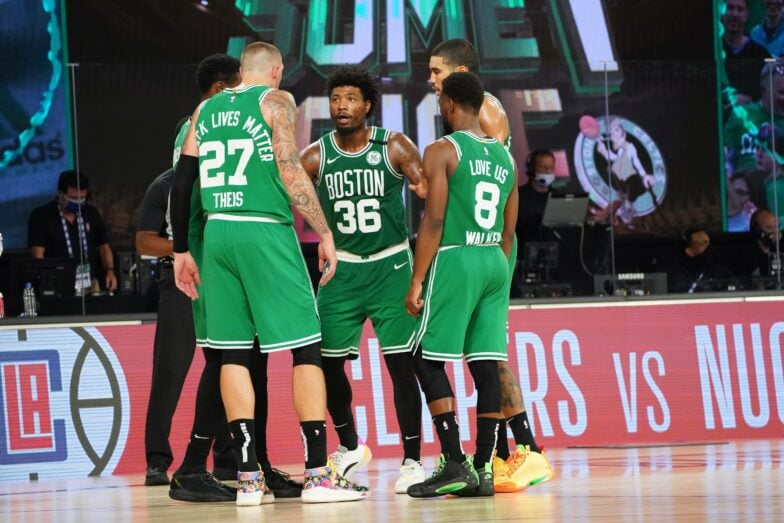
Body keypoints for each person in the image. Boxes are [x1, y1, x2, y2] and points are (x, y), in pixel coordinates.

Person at [170, 41, 368, 506]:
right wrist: (325, 233)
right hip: (264, 230)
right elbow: (289, 168)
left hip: (217, 235)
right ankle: (319, 474)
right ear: (276, 71)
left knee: (233, 352)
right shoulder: (276, 100)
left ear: (241, 71)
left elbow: (183, 181)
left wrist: (181, 249)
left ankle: (249, 479)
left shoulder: (206, 109)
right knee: (305, 347)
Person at [148, 54, 301, 502]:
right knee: (227, 356)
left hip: (216, 239)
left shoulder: (203, 122)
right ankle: (196, 466)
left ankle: (249, 462)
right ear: (222, 90)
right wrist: (183, 250)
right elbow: (185, 187)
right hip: (213, 241)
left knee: (251, 358)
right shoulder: (206, 121)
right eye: (236, 86)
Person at [428, 38, 554, 493]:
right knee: (479, 353)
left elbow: (493, 178)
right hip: (487, 240)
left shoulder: (483, 112)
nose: (432, 79)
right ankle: (505, 453)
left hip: (484, 242)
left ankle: (529, 450)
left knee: (486, 354)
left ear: (461, 71)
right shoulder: (479, 114)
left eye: (437, 71)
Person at [299, 66, 426, 493]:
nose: (342, 107)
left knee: (401, 367)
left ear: (367, 103)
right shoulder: (317, 155)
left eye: (351, 98)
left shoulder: (393, 146)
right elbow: (287, 188)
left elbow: (431, 190)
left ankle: (412, 460)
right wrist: (321, 235)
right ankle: (350, 446)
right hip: (343, 269)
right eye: (336, 99)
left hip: (391, 265)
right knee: (326, 366)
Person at [404, 72, 517, 498]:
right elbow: (509, 230)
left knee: (423, 357)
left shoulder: (442, 150)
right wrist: (497, 275)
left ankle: (454, 461)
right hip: (494, 260)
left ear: (449, 105)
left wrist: (417, 280)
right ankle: (485, 469)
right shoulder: (506, 159)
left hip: (458, 256)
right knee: (486, 365)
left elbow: (433, 219)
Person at [28, 170, 117, 294]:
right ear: (60, 194)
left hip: (89, 282)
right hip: (58, 284)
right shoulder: (42, 216)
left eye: (82, 198)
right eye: (74, 198)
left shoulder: (91, 213)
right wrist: (46, 283)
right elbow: (38, 255)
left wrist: (110, 270)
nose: (79, 202)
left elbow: (104, 247)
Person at [722, 0, 771, 105]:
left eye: (740, 9)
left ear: (747, 15)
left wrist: (750, 99)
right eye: (730, 8)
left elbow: (770, 91)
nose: (735, 14)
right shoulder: (715, 49)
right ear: (722, 11)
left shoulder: (760, 53)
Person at [667, 228, 734, 293]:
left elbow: (733, 287)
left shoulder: (720, 271)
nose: (709, 248)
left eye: (709, 243)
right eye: (703, 244)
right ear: (689, 250)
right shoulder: (677, 274)